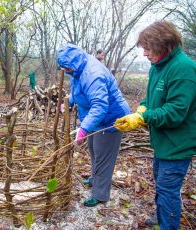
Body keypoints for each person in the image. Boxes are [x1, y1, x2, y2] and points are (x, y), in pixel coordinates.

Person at [114, 20, 196, 229]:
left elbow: (176, 111)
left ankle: (168, 224)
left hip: (177, 144)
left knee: (168, 190)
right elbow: (150, 99)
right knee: (161, 184)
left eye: (148, 49)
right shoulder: (157, 67)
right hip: (161, 141)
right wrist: (141, 110)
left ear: (164, 45)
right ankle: (161, 216)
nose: (145, 54)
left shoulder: (184, 68)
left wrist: (144, 118)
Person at [57, 44, 130, 207]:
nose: (65, 70)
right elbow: (78, 88)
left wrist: (84, 129)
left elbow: (100, 105)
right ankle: (95, 178)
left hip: (111, 118)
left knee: (103, 155)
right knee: (94, 149)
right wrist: (69, 101)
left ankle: (100, 194)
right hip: (96, 117)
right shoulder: (77, 68)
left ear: (73, 63)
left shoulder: (93, 74)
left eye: (66, 68)